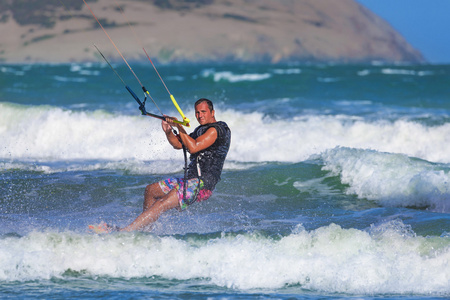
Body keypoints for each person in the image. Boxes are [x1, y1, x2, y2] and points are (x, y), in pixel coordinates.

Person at [91, 98, 231, 233]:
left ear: (212, 112)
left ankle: (124, 231)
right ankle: (146, 229)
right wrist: (169, 131)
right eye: (197, 112)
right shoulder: (200, 130)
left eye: (203, 112)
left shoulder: (217, 130)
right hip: (190, 180)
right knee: (151, 190)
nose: (199, 115)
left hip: (202, 183)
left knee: (162, 203)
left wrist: (179, 126)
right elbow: (178, 144)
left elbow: (193, 147)